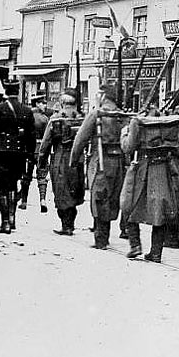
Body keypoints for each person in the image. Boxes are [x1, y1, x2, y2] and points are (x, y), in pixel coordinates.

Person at [119, 102, 179, 261]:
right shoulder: (168, 124)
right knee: (160, 211)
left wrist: (124, 134)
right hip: (163, 170)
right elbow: (178, 148)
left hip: (142, 169)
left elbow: (128, 147)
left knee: (128, 204)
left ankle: (135, 245)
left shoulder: (137, 122)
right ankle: (156, 252)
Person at [70, 84, 132, 250]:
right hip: (118, 161)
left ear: (104, 96)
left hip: (101, 160)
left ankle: (101, 238)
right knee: (112, 196)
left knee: (99, 196)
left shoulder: (96, 114)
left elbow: (80, 139)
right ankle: (105, 234)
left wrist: (73, 161)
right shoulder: (123, 115)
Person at [0, 81, 35, 234]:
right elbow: (31, 136)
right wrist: (30, 155)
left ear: (6, 91)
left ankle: (4, 223)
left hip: (0, 153)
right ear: (18, 91)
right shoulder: (26, 110)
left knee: (2, 188)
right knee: (13, 185)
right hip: (19, 154)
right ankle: (12, 220)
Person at [38, 89, 85, 235]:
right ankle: (71, 224)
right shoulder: (81, 118)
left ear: (62, 103)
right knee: (74, 190)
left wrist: (42, 161)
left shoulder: (56, 119)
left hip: (60, 157)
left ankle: (66, 226)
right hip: (77, 159)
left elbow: (46, 143)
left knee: (60, 191)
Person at [19, 94, 50, 213]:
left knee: (26, 175)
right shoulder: (44, 119)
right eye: (43, 103)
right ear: (37, 104)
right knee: (42, 175)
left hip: (28, 150)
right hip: (41, 150)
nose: (45, 105)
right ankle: (42, 200)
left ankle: (24, 201)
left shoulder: (26, 117)